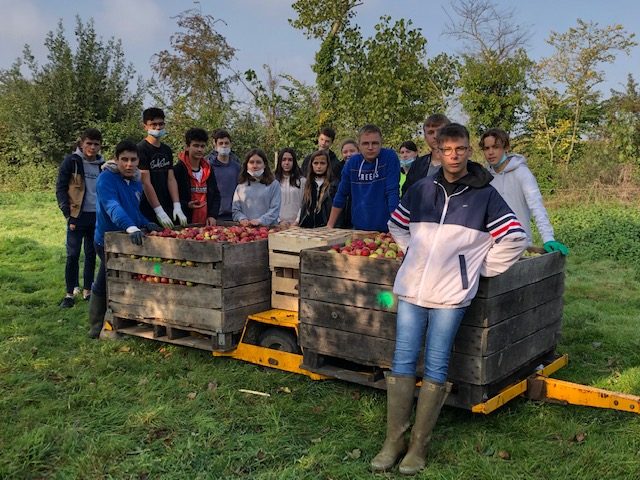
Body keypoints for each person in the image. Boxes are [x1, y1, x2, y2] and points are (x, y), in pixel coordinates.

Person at [371, 123, 527, 475]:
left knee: (438, 363)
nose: (453, 156)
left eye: (460, 150)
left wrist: (475, 267)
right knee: (403, 359)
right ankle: (393, 441)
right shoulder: (422, 189)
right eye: (447, 150)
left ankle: (418, 447)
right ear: (437, 152)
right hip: (412, 289)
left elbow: (515, 237)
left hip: (451, 295)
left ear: (468, 151)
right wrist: (414, 253)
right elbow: (396, 223)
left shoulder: (485, 194)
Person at [89, 140, 162, 339]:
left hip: (127, 240)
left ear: (138, 160)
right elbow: (113, 207)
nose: (129, 164)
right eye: (124, 160)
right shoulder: (106, 179)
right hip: (107, 240)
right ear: (116, 160)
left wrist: (145, 223)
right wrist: (130, 227)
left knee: (121, 278)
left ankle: (120, 321)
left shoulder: (136, 180)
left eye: (133, 160)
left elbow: (133, 209)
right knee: (109, 279)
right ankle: (99, 325)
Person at [479, 128, 569, 255]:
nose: (491, 152)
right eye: (486, 148)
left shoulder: (522, 173)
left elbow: (536, 206)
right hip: (493, 247)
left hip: (520, 245)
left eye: (496, 147)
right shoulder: (484, 177)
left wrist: (548, 238)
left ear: (506, 148)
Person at [55, 128, 104, 307]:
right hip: (77, 215)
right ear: (81, 143)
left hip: (96, 216)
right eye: (89, 143)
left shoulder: (102, 165)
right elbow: (60, 188)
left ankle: (87, 291)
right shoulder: (72, 161)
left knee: (91, 254)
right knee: (73, 254)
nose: (92, 147)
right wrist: (67, 214)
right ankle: (69, 294)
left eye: (96, 144)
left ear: (100, 146)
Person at [327, 124, 400, 232]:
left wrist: (396, 229)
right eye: (365, 143)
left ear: (381, 144)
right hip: (358, 229)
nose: (370, 147)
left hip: (386, 229)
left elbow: (392, 192)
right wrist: (329, 226)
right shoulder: (352, 163)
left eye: (375, 143)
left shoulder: (389, 157)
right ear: (359, 146)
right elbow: (341, 194)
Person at [137, 107, 187, 229]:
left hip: (167, 203)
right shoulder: (141, 149)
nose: (158, 128)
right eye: (153, 124)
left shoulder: (166, 150)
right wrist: (158, 210)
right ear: (145, 126)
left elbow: (171, 179)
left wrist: (177, 205)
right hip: (148, 206)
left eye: (161, 124)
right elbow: (145, 182)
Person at [174, 128, 221, 225]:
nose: (199, 149)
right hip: (183, 224)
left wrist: (212, 215)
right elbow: (170, 197)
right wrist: (186, 205)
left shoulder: (208, 169)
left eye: (202, 146)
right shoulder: (178, 170)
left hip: (205, 224)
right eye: (196, 145)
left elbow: (216, 194)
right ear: (187, 147)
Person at [402, 113, 450, 196]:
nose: (435, 136)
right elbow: (407, 196)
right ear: (425, 137)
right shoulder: (417, 165)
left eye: (440, 131)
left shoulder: (462, 165)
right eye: (431, 132)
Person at [232, 148, 281, 226]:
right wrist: (242, 218)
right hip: (247, 230)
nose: (255, 166)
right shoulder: (240, 187)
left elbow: (275, 209)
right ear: (246, 165)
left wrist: (260, 221)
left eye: (258, 162)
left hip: (269, 230)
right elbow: (235, 210)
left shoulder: (274, 185)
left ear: (264, 165)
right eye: (251, 162)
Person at [207, 128, 242, 221]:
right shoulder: (209, 167)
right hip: (214, 215)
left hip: (233, 214)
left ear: (231, 144)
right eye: (221, 143)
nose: (224, 146)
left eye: (226, 143)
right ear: (215, 145)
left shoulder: (237, 167)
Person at [299, 150, 334, 228]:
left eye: (322, 163)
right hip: (307, 227)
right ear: (311, 165)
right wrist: (297, 221)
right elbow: (303, 206)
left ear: (327, 165)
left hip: (325, 227)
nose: (319, 166)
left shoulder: (333, 185)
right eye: (316, 163)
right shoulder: (308, 183)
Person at [274, 147, 305, 226]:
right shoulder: (273, 182)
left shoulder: (302, 181)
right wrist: (279, 221)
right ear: (280, 162)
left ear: (294, 162)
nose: (287, 163)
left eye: (290, 160)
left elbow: (304, 203)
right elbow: (270, 204)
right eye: (284, 159)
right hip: (277, 225)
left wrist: (297, 221)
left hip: (298, 225)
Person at [333, 139, 359, 229]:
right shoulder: (336, 170)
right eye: (345, 152)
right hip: (340, 218)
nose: (348, 154)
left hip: (358, 216)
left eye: (352, 151)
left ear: (359, 151)